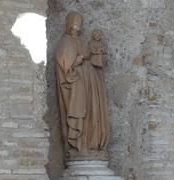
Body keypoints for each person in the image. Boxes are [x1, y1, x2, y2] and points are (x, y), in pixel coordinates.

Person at [55, 11, 110, 160]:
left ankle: (91, 145)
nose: (76, 29)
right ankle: (79, 146)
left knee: (93, 112)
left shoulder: (80, 41)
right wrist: (76, 62)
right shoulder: (64, 42)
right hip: (76, 86)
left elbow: (90, 56)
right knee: (80, 114)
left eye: (78, 27)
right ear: (68, 25)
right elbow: (65, 65)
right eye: (74, 26)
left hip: (90, 83)